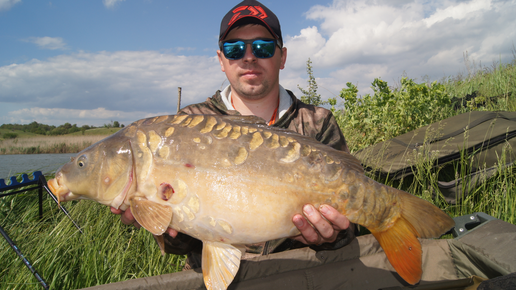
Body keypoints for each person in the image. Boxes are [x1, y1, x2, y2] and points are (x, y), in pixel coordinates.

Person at [111, 0, 356, 269]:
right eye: (234, 49)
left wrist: (329, 237)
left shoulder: (317, 124)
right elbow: (179, 245)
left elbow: (349, 229)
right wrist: (158, 223)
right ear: (221, 60)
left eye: (262, 47)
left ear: (282, 56)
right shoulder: (189, 123)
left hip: (297, 271)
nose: (249, 57)